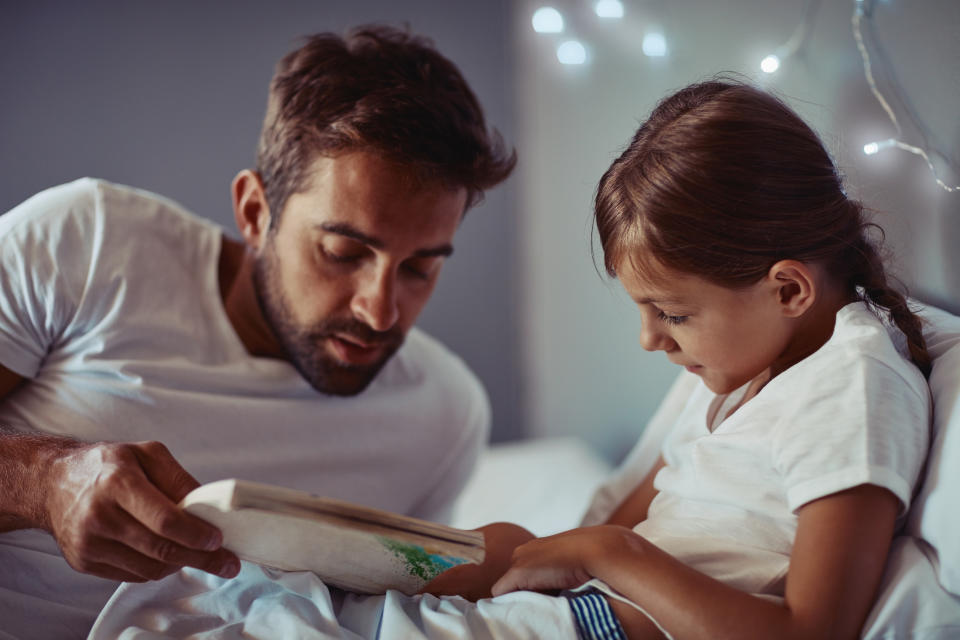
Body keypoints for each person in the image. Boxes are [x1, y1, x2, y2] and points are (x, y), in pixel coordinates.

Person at [84, 79, 934, 640]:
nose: (651, 341)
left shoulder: (852, 386)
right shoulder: (749, 366)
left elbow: (810, 632)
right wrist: (491, 555)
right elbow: (620, 526)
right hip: (570, 606)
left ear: (787, 288)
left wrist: (608, 556)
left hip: (592, 625)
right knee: (243, 595)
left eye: (672, 313)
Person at [0, 25, 515, 639]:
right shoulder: (87, 243)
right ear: (254, 212)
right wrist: (43, 482)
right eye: (343, 252)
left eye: (420, 268)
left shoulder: (445, 413)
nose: (381, 311)